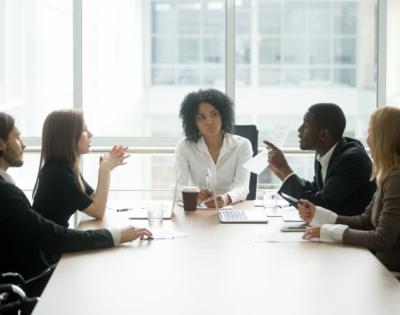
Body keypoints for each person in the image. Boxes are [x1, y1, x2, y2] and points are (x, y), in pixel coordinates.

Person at [0, 112, 152, 295]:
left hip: (44, 262)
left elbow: (94, 203)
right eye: (17, 137)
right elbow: (58, 234)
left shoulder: (64, 170)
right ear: (1, 143)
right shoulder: (45, 178)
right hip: (38, 275)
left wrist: (105, 170)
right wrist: (115, 236)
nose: (23, 144)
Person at [299, 106, 400, 272]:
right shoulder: (388, 175)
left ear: (384, 138)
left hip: (389, 274)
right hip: (380, 268)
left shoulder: (396, 179)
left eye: (371, 133)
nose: (368, 140)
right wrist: (319, 215)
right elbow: (365, 221)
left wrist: (330, 232)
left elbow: (382, 239)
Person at [264, 103, 375, 215]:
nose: (299, 129)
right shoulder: (324, 152)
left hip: (352, 229)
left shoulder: (352, 160)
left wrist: (285, 168)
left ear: (323, 134)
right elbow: (315, 190)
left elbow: (322, 205)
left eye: (306, 124)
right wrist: (279, 171)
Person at [32, 109, 127, 228]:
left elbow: (94, 199)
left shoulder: (66, 168)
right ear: (68, 136)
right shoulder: (57, 174)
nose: (91, 134)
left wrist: (106, 170)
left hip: (55, 240)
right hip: (46, 245)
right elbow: (98, 211)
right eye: (84, 129)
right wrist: (104, 169)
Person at [174, 89, 252, 208]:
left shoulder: (242, 145)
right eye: (201, 117)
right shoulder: (185, 146)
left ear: (223, 115)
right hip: (200, 212)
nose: (209, 122)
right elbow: (177, 189)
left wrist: (226, 198)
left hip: (233, 209)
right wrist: (196, 193)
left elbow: (242, 186)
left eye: (214, 114)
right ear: (193, 122)